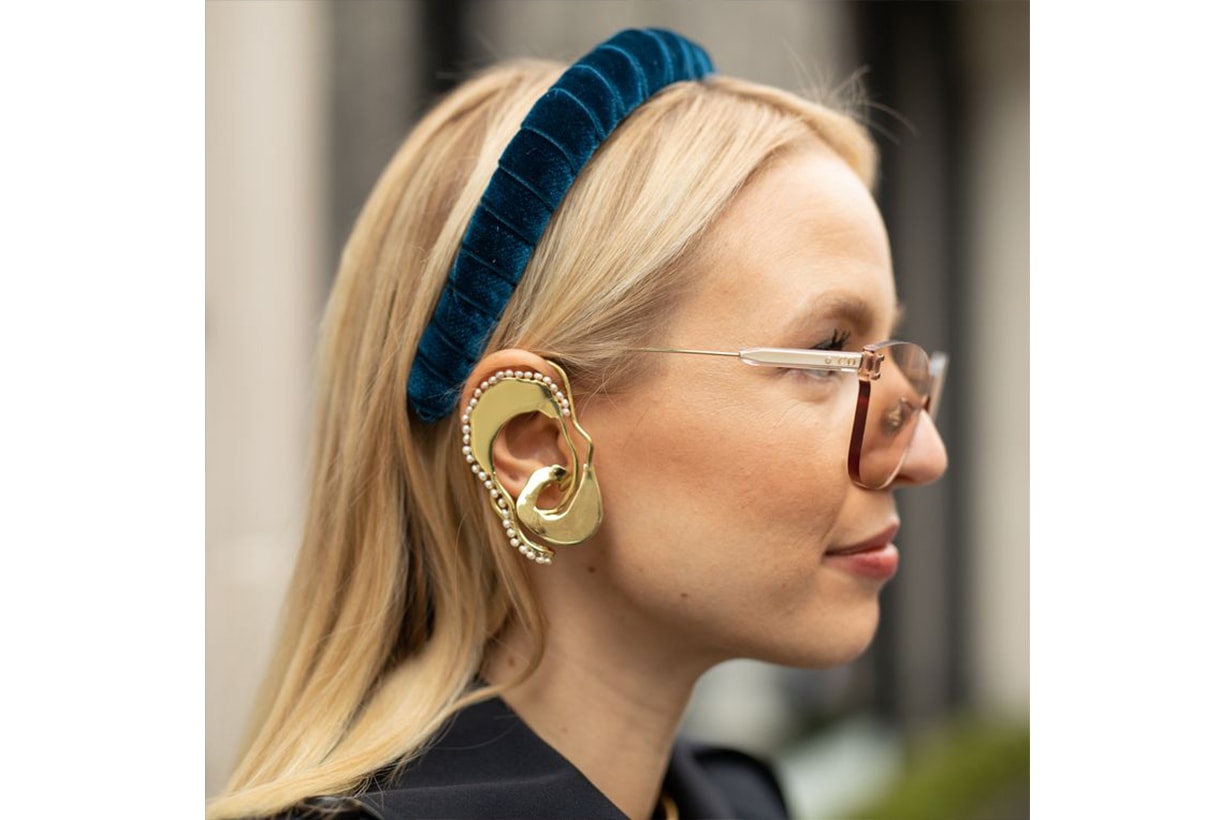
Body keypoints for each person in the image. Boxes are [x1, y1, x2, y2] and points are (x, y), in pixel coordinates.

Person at [207, 27, 948, 820]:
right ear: (535, 443)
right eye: (827, 355)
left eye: (896, 361)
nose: (924, 453)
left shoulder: (739, 800)